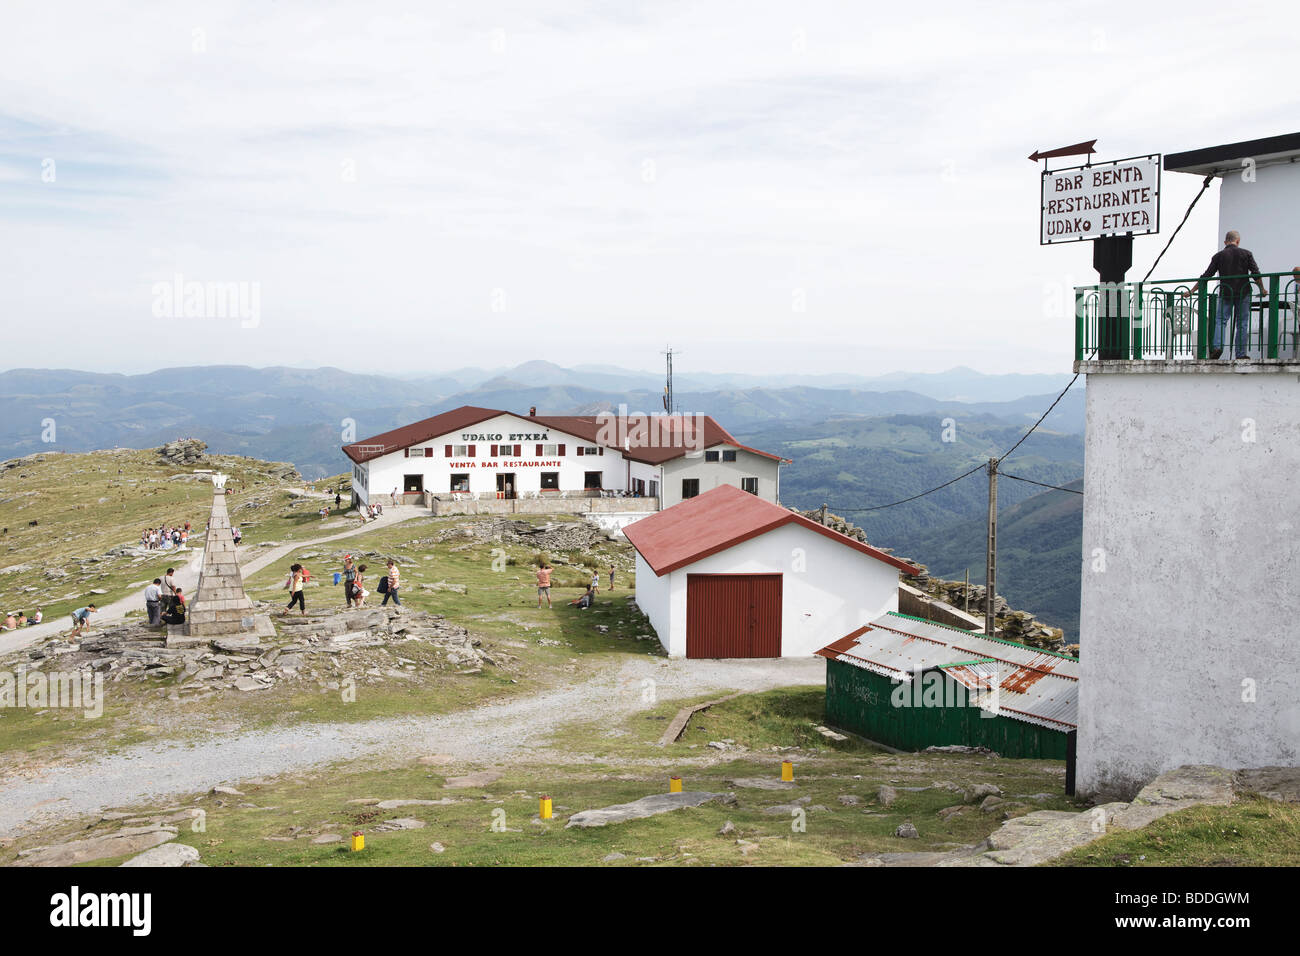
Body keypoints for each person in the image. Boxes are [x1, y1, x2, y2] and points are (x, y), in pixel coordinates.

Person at [1200, 230, 1266, 360]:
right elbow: (1255, 274)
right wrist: (1262, 289)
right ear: (1238, 241)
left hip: (1226, 292)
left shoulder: (1218, 256)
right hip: (1243, 292)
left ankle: (1217, 347)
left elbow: (1206, 275)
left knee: (1220, 321)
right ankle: (1240, 354)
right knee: (1242, 323)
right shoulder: (1247, 254)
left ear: (1225, 242)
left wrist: (1192, 290)